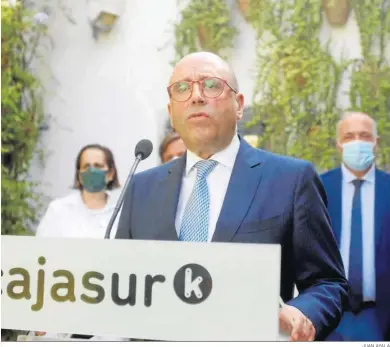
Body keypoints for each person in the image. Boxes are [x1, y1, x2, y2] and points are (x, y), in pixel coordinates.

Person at [115, 52, 349, 341]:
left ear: (239, 105)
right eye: (182, 89)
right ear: (172, 113)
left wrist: (304, 314)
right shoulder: (141, 188)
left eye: (211, 85)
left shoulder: (290, 179)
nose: (196, 96)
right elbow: (118, 287)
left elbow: (328, 283)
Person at [31, 143, 128, 341]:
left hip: (109, 314)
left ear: (110, 173)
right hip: (62, 307)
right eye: (86, 166)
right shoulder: (59, 210)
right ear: (79, 174)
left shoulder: (124, 210)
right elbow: (38, 261)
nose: (92, 170)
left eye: (98, 166)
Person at [320, 112, 390, 341]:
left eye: (364, 135)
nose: (357, 142)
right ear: (339, 144)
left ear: (375, 143)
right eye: (349, 136)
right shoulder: (318, 188)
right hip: (329, 313)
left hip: (380, 315)